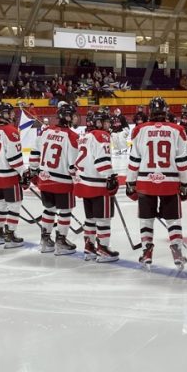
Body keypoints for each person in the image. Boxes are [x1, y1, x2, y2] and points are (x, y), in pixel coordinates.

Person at [126, 97, 187, 269]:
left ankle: (146, 252)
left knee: (146, 220)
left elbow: (134, 160)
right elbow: (183, 161)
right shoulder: (177, 130)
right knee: (173, 220)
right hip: (170, 182)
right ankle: (177, 251)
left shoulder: (140, 130)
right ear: (166, 111)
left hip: (146, 182)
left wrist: (130, 182)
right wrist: (186, 183)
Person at [28, 103, 80, 255]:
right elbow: (73, 166)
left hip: (45, 178)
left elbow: (34, 153)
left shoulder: (45, 132)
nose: (75, 118)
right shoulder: (72, 136)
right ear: (68, 117)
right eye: (73, 115)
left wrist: (33, 171)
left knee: (48, 209)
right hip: (62, 182)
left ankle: (45, 240)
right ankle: (61, 241)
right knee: (65, 211)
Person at [74, 110, 119, 262]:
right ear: (99, 123)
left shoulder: (84, 136)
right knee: (103, 219)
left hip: (84, 182)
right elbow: (102, 161)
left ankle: (89, 247)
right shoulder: (102, 135)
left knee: (90, 218)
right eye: (106, 122)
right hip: (98, 184)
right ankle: (103, 249)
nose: (108, 125)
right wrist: (111, 177)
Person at [0, 103, 27, 248]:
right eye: (10, 113)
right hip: (9, 177)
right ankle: (10, 235)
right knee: (14, 206)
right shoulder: (11, 131)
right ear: (4, 114)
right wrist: (24, 172)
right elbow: (14, 158)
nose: (12, 116)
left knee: (0, 205)